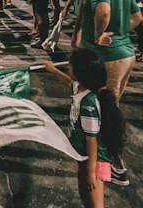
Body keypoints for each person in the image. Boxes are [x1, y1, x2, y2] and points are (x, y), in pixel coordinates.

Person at [78, 0, 143, 185]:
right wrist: (117, 32)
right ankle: (110, 159)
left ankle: (116, 164)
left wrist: (98, 37)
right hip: (124, 55)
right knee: (109, 106)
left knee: (105, 110)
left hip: (110, 58)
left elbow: (103, 11)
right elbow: (137, 17)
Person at [45, 48, 127, 207]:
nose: (68, 68)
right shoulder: (82, 89)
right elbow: (68, 82)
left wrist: (90, 173)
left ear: (80, 73)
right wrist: (52, 70)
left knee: (94, 204)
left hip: (93, 162)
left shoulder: (89, 103)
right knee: (86, 199)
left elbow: (91, 139)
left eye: (70, 66)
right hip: (85, 158)